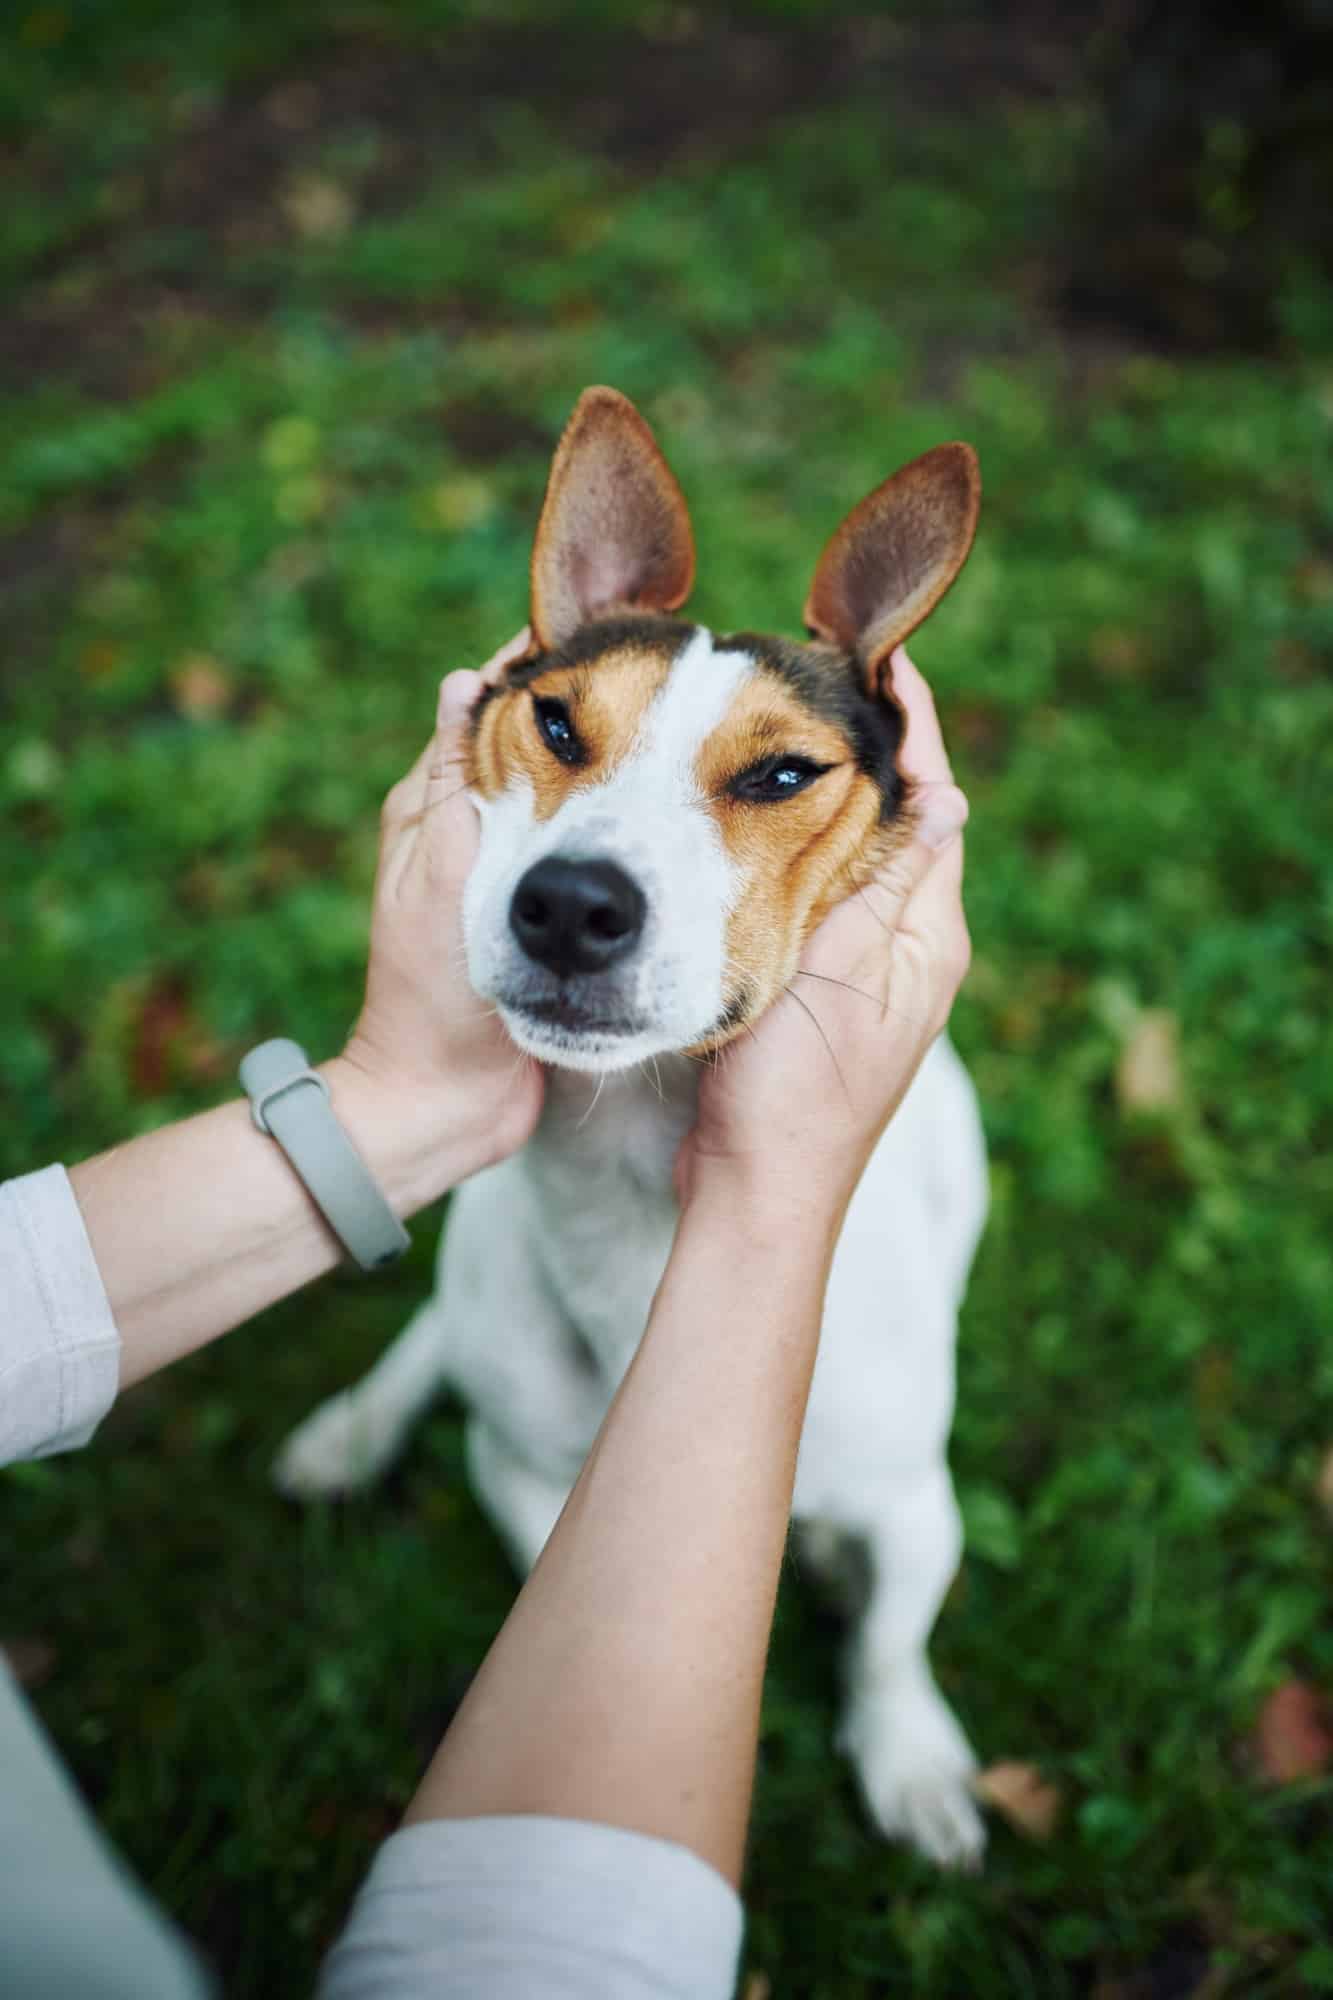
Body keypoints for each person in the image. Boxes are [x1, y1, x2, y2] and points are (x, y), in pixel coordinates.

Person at [1, 637, 971, 1999]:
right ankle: (416, 1376)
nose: (585, 885)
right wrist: (411, 1096)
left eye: (768, 776)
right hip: (528, 1277)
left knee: (882, 1499)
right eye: (565, 735)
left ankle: (882, 1690)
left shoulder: (876, 1357)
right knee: (513, 1415)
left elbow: (909, 1513)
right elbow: (520, 1472)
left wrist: (891, 1688)